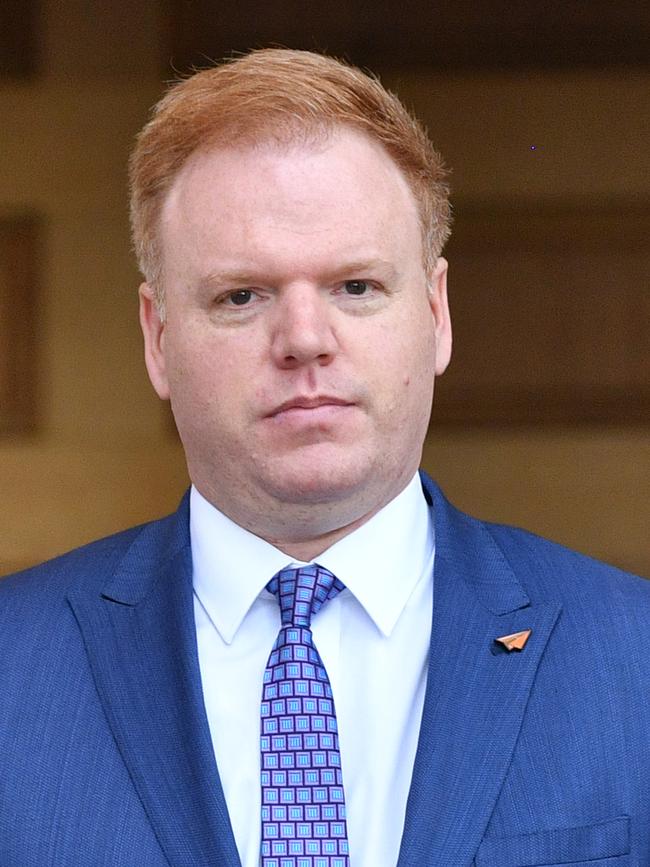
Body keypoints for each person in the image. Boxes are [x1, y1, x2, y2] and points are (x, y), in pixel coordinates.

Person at [0, 48, 648, 867]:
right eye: (241, 296)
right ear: (157, 338)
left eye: (355, 287)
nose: (305, 339)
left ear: (438, 313)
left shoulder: (634, 660)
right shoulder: (10, 670)